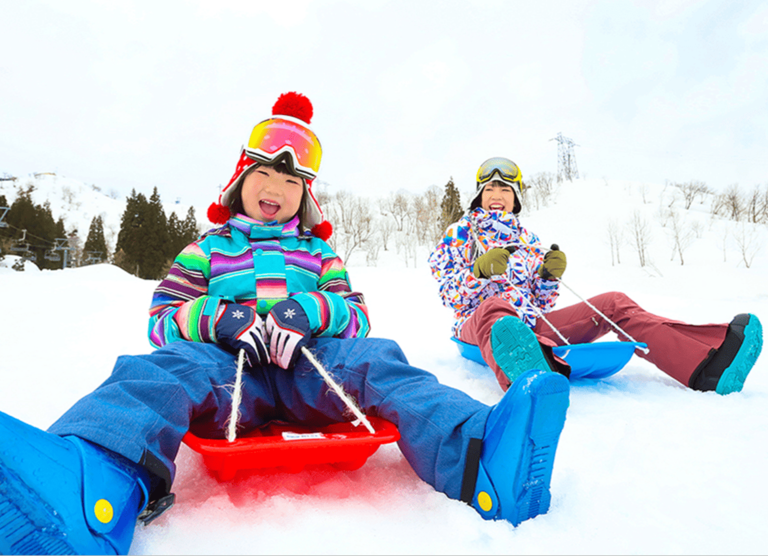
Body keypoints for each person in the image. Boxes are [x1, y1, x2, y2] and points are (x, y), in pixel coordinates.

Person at [0, 95, 570, 556]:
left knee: (380, 359)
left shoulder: (318, 254)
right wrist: (219, 318)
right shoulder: (206, 250)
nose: (278, 187)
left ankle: (482, 457)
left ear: (306, 197)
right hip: (226, 375)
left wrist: (311, 311)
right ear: (240, 180)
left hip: (313, 372)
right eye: (266, 174)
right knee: (157, 373)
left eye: (293, 182)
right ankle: (89, 484)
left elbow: (355, 313)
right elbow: (163, 320)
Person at [429, 156, 763, 393]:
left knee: (614, 303)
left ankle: (706, 366)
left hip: (530, 327)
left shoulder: (528, 240)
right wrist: (478, 272)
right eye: (490, 189)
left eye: (505, 190)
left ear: (515, 198)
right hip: (478, 325)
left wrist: (547, 277)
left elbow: (541, 304)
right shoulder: (460, 232)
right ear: (479, 195)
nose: (497, 196)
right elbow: (449, 295)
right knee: (496, 309)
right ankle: (530, 379)